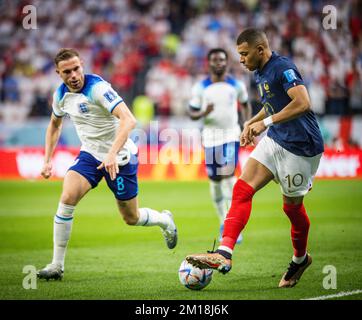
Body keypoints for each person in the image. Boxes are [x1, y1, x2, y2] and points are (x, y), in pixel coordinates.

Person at [186, 28, 324, 288]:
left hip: (302, 147)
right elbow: (273, 103)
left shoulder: (283, 68)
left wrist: (266, 123)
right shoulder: (260, 71)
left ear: (260, 50)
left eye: (244, 54)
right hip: (277, 139)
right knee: (241, 189)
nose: (240, 59)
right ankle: (224, 253)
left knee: (291, 209)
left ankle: (300, 259)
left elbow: (303, 102)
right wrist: (253, 120)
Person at [37, 48, 177, 281]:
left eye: (76, 69)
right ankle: (56, 265)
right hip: (91, 154)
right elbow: (54, 124)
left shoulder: (98, 89)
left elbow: (129, 119)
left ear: (82, 65)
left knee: (130, 218)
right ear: (58, 73)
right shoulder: (61, 95)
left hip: (120, 157)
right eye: (67, 72)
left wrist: (112, 154)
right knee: (67, 197)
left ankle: (164, 220)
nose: (73, 75)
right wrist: (47, 159)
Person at [188, 48, 251, 242]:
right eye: (215, 60)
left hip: (231, 135)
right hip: (210, 138)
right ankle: (223, 219)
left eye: (222, 60)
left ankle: (234, 225)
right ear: (209, 63)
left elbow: (246, 104)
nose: (219, 63)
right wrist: (203, 112)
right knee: (215, 180)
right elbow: (192, 113)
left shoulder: (237, 85)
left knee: (228, 173)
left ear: (227, 62)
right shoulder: (200, 88)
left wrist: (246, 124)